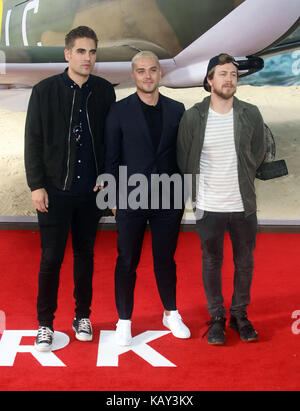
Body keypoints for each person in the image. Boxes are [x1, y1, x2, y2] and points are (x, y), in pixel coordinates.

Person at [24, 26, 116, 352]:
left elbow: (109, 141)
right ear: (67, 54)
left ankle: (82, 316)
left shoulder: (105, 91)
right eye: (81, 51)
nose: (87, 58)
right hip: (54, 191)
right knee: (51, 259)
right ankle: (45, 324)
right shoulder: (44, 91)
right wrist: (36, 185)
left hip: (90, 193)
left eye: (92, 52)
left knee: (85, 256)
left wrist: (109, 178)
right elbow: (32, 141)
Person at [177, 53, 266, 345]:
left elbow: (258, 151)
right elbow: (184, 157)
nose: (229, 79)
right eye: (223, 74)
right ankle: (216, 317)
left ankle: (239, 315)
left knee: (245, 263)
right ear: (209, 80)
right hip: (208, 205)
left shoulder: (250, 113)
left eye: (233, 74)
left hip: (243, 205)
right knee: (211, 261)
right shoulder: (193, 116)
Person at [104, 51, 190, 345]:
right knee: (127, 260)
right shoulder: (119, 111)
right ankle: (124, 320)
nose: (148, 76)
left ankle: (171, 312)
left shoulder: (178, 110)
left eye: (152, 70)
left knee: (165, 259)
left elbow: (184, 155)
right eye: (141, 71)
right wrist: (113, 199)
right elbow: (111, 157)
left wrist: (183, 193)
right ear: (133, 75)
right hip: (130, 198)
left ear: (160, 73)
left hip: (169, 199)